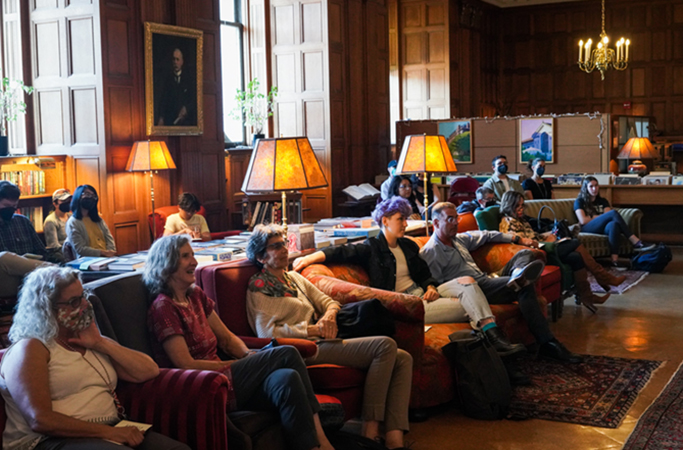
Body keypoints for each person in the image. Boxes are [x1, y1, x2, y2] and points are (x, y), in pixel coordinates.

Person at [144, 235, 334, 450]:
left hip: (228, 376)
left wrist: (246, 356)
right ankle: (322, 440)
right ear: (167, 263)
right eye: (186, 256)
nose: (194, 262)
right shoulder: (164, 308)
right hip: (207, 387)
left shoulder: (195, 295)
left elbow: (226, 338)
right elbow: (185, 364)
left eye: (193, 255)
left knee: (286, 378)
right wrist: (233, 365)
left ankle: (309, 446)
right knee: (287, 353)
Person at [246, 224, 414, 449]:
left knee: (403, 358)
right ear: (260, 256)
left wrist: (329, 317)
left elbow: (329, 302)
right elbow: (267, 333)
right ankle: (369, 430)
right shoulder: (259, 287)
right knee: (384, 346)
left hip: (324, 338)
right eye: (275, 247)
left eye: (284, 243)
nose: (284, 249)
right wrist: (311, 330)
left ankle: (394, 439)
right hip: (302, 349)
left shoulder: (293, 278)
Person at [292, 197, 525, 357]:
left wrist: (431, 285)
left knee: (468, 282)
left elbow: (424, 274)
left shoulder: (408, 246)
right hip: (406, 304)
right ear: (385, 221)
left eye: (405, 219)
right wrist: (311, 258)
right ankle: (491, 338)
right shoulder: (372, 247)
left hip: (424, 294)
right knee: (472, 304)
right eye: (400, 219)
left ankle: (491, 335)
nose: (405, 223)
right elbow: (342, 251)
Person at [0, 266, 190, 450]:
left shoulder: (90, 339)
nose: (84, 305)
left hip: (109, 429)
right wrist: (108, 433)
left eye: (83, 296)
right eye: (74, 301)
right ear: (46, 308)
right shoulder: (31, 347)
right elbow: (40, 420)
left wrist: (100, 343)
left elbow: (149, 371)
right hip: (48, 440)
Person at [420, 201, 583, 364]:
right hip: (477, 289)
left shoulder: (458, 240)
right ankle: (548, 343)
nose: (456, 222)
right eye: (450, 219)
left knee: (525, 254)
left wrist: (518, 238)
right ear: (436, 222)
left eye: (456, 218)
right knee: (525, 286)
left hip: (488, 278)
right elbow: (437, 285)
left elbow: (486, 235)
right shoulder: (432, 251)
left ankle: (517, 275)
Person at [499, 191, 622, 313]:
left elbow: (533, 236)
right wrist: (546, 240)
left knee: (576, 257)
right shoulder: (508, 222)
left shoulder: (521, 220)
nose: (521, 209)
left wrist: (548, 235)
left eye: (522, 205)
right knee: (574, 243)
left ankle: (587, 296)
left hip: (543, 246)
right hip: (538, 253)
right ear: (509, 205)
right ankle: (603, 277)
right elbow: (522, 242)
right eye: (517, 206)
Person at [574, 176, 653, 267]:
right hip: (587, 228)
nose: (594, 189)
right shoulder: (580, 201)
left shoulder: (603, 201)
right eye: (591, 186)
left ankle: (614, 260)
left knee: (613, 224)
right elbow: (583, 220)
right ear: (585, 188)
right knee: (613, 213)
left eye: (596, 186)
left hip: (602, 227)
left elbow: (609, 217)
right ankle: (635, 241)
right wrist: (600, 217)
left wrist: (592, 217)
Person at [0, 180, 49, 298]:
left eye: (14, 206)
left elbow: (42, 252)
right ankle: (58, 272)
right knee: (3, 257)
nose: (10, 210)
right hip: (7, 281)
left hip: (33, 277)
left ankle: (57, 273)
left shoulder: (23, 222)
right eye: (6, 206)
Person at [66, 185, 116, 258]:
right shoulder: (73, 222)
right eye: (87, 194)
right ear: (78, 196)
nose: (90, 198)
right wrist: (102, 253)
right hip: (87, 261)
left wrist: (110, 252)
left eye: (93, 196)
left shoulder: (98, 219)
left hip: (107, 258)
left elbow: (109, 238)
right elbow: (80, 249)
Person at [156, 48, 196, 127]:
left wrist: (186, 108)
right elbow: (163, 100)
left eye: (177, 59)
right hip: (170, 121)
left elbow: (194, 99)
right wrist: (161, 118)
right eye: (174, 59)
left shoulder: (189, 79)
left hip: (186, 123)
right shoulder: (167, 79)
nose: (175, 62)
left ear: (182, 61)